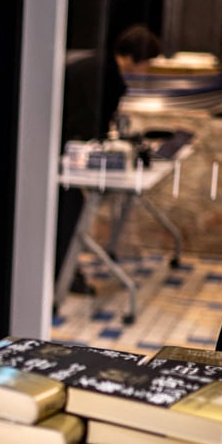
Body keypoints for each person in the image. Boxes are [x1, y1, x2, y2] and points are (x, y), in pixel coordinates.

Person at [54, 23, 161, 299]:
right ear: (134, 57)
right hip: (60, 153)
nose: (145, 69)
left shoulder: (99, 66)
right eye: (146, 62)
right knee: (70, 211)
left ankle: (64, 271)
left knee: (70, 211)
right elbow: (89, 124)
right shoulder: (105, 76)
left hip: (61, 149)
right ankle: (61, 275)